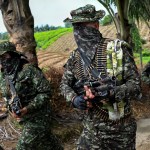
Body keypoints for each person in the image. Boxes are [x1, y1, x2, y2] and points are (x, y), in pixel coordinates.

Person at [60, 4, 141, 150]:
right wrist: (74, 99)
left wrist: (112, 92)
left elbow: (135, 86)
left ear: (96, 25)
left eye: (84, 26)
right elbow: (64, 85)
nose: (79, 31)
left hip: (119, 131)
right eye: (76, 26)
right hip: (91, 130)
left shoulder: (117, 50)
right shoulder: (75, 57)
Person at [0, 41, 63, 150]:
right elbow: (8, 96)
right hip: (24, 119)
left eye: (4, 56)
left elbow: (45, 92)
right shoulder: (4, 75)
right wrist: (12, 110)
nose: (2, 60)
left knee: (23, 146)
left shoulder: (28, 70)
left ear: (13, 55)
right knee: (48, 143)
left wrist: (28, 108)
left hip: (40, 116)